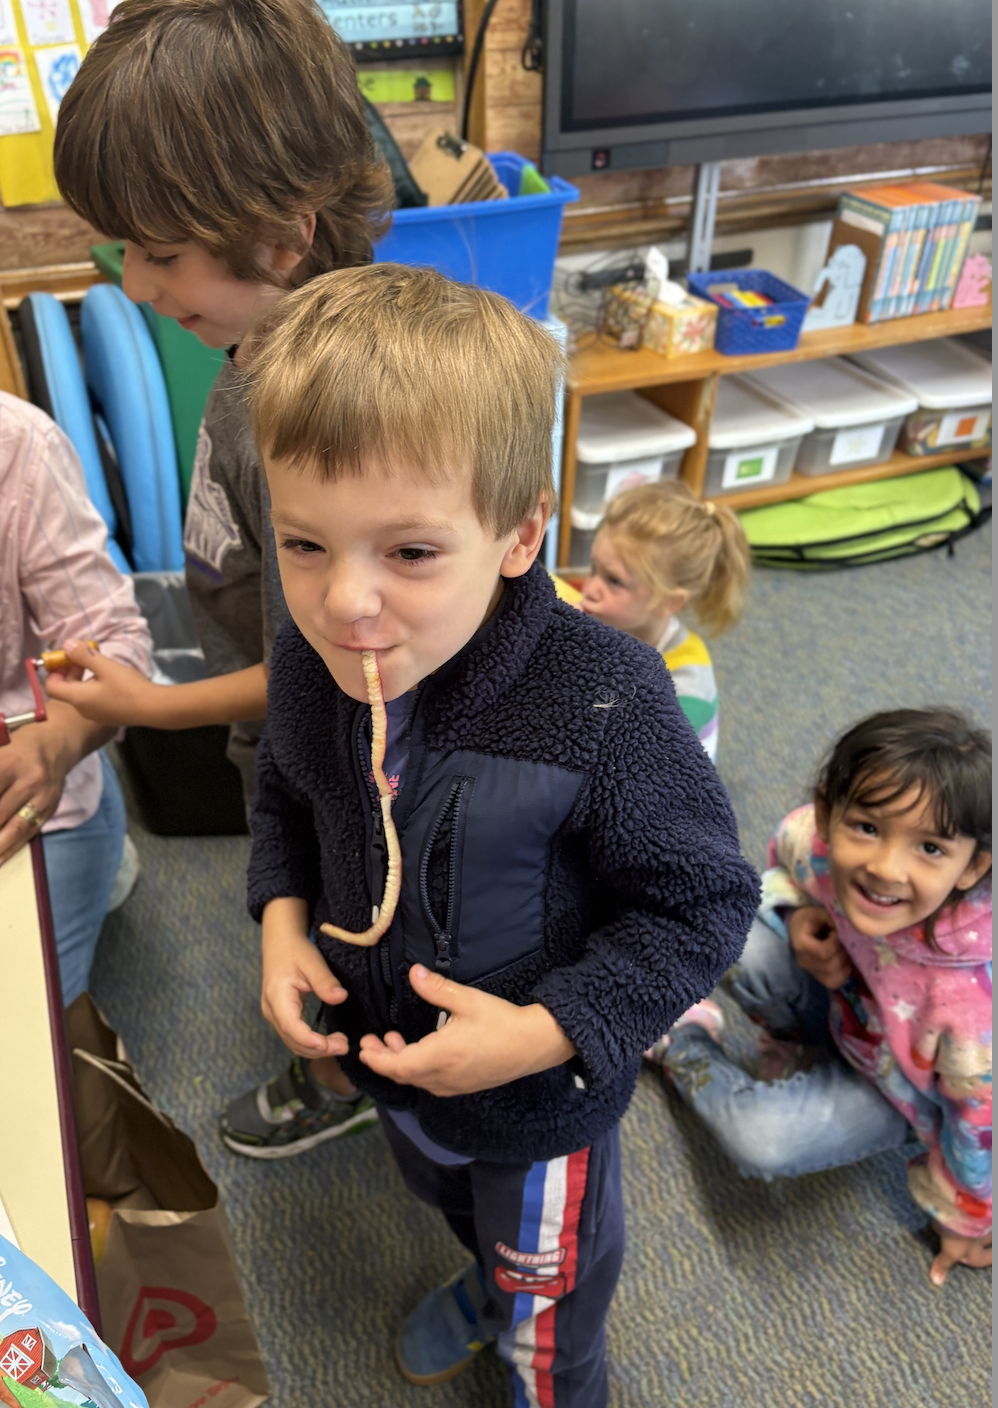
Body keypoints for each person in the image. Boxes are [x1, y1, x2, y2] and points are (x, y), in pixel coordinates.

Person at [244, 262, 760, 1400]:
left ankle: (528, 1327)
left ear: (521, 533)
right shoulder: (309, 658)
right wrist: (282, 917)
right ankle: (485, 1281)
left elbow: (704, 905)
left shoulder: (608, 703)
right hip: (400, 1081)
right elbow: (283, 790)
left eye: (411, 553)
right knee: (452, 1208)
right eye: (305, 545)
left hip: (539, 1108)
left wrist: (544, 1031)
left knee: (549, 1322)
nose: (345, 603)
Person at [47, 0, 393, 1151]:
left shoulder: (291, 416)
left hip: (334, 747)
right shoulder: (256, 353)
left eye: (158, 253)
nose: (138, 288)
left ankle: (342, 1082)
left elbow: (338, 663)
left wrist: (147, 708)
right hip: (285, 718)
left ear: (284, 237)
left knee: (348, 928)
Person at [649, 708, 992, 1289]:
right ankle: (793, 1041)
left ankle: (682, 1039)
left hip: (907, 1092)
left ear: (973, 867)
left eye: (930, 848)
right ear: (829, 813)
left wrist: (967, 1216)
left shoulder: (970, 1012)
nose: (885, 868)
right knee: (728, 924)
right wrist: (793, 910)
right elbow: (783, 856)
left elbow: (981, 1122)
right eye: (867, 828)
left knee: (762, 1142)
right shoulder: (820, 843)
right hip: (847, 1012)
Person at [0, 391, 152, 1004]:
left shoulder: (19, 447)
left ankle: (101, 848)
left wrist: (56, 744)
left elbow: (116, 644)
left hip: (29, 786)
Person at [578, 480, 750, 762]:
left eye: (613, 581)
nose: (590, 588)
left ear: (668, 602)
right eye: (593, 568)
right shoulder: (615, 618)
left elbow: (638, 759)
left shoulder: (686, 685)